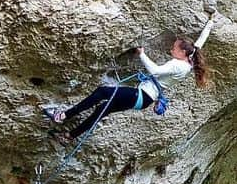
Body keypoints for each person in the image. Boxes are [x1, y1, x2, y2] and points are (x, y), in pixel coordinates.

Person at [46, 9, 222, 142]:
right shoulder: (189, 61)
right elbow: (200, 42)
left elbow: (155, 72)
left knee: (102, 92)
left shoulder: (178, 65)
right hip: (143, 99)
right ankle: (69, 136)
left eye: (174, 48)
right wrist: (211, 22)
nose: (171, 49)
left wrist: (141, 53)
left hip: (143, 95)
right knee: (102, 109)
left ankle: (63, 116)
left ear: (183, 52)